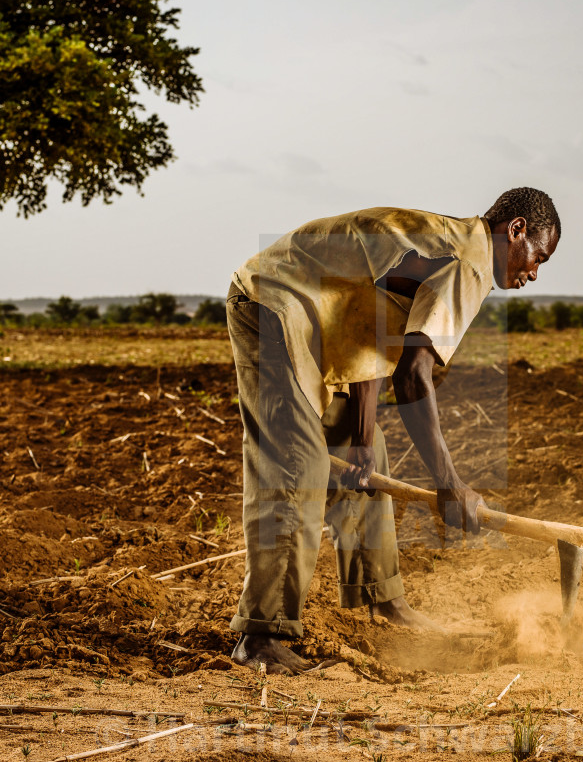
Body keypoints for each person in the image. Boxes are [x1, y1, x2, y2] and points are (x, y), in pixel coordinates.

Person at [225, 187, 560, 674]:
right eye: (539, 257)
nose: (533, 272)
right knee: (298, 462)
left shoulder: (444, 249)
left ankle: (380, 601)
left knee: (369, 452)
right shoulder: (468, 260)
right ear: (516, 231)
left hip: (313, 319)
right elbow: (412, 376)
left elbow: (373, 332)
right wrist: (450, 484)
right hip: (273, 301)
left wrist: (361, 437)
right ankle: (260, 635)